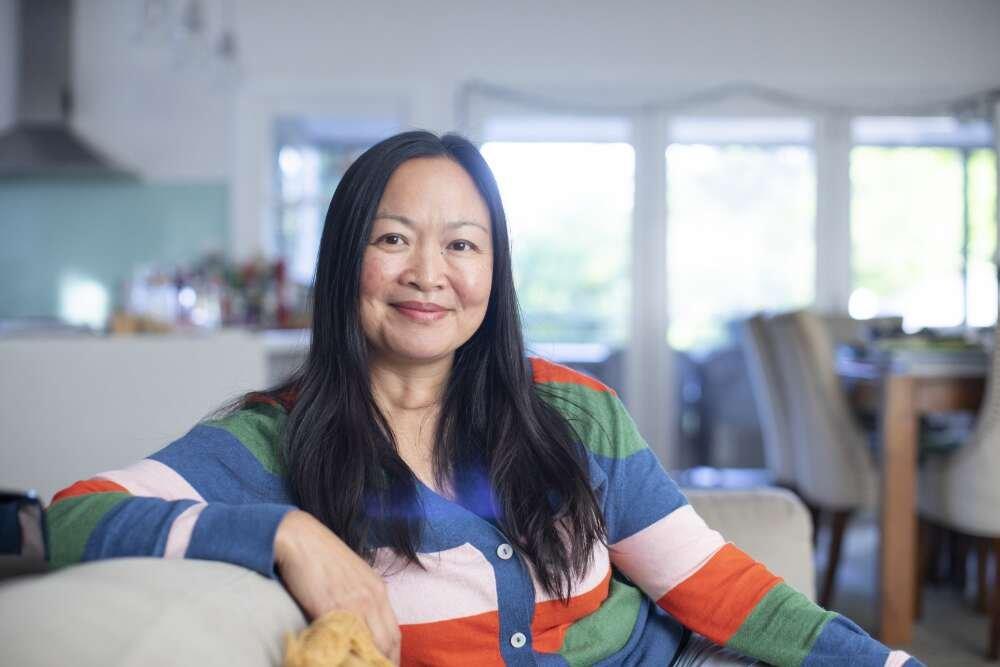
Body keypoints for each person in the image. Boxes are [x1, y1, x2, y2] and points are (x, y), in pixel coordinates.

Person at [47, 131, 921, 667]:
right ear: (346, 260)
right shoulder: (268, 442)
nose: (429, 273)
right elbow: (70, 519)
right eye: (393, 238)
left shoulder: (576, 413)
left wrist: (883, 663)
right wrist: (287, 531)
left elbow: (715, 585)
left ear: (492, 273)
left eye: (461, 244)